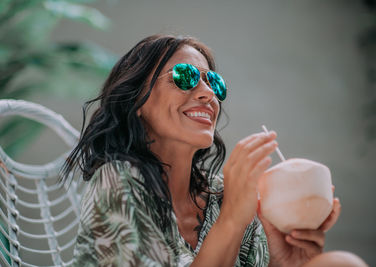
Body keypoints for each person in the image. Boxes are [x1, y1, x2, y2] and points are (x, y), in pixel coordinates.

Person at [62, 34, 362, 267]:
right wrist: (231, 219)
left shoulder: (221, 193)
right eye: (184, 76)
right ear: (137, 101)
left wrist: (281, 261)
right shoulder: (118, 180)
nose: (208, 94)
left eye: (214, 83)